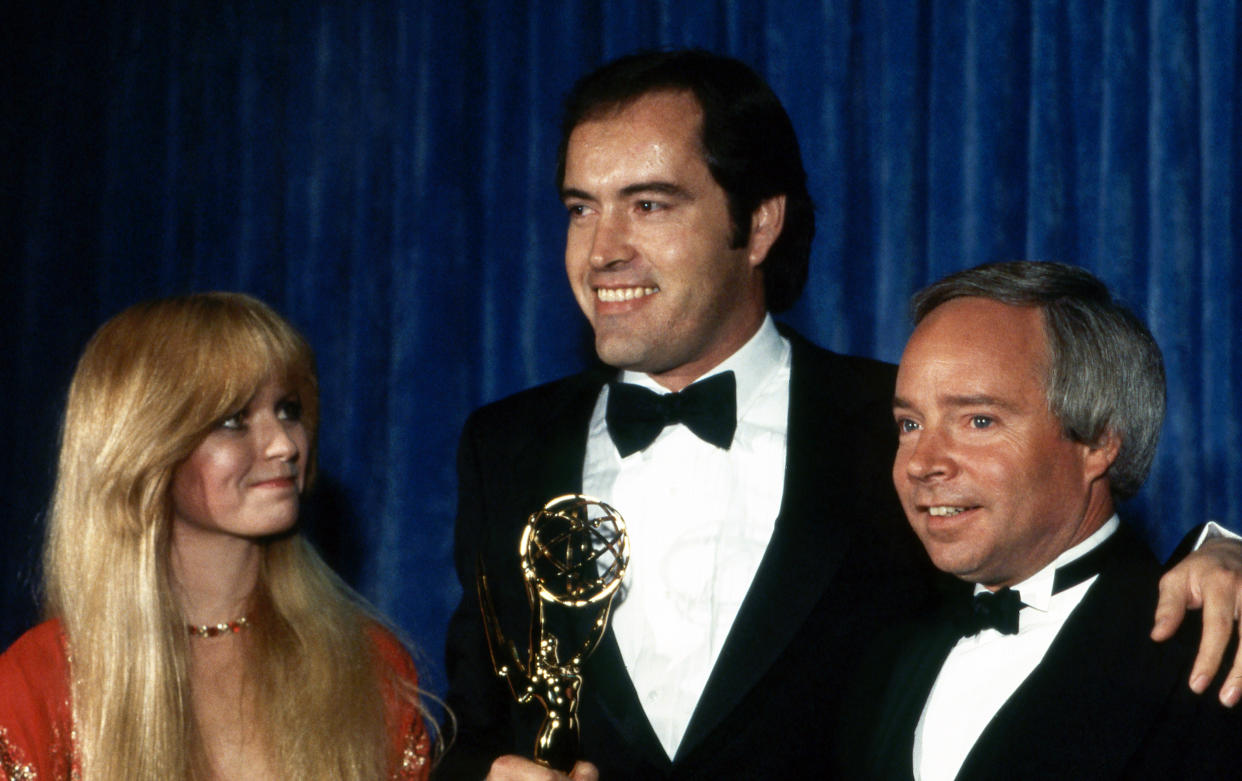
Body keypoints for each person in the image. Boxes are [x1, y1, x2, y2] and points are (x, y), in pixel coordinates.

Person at [439, 50, 1242, 781]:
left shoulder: (900, 424)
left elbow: (1062, 564)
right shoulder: (505, 446)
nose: (601, 248)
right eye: (582, 208)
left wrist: (1225, 553)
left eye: (648, 205)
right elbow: (470, 722)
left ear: (758, 223)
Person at [0, 293, 432, 780]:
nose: (284, 443)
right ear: (143, 449)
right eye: (233, 419)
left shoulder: (368, 664)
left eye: (288, 409)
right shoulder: (37, 685)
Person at [835, 261, 1240, 779]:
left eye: (979, 420)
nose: (921, 461)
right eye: (909, 424)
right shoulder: (883, 648)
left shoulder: (1209, 654)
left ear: (1098, 440)